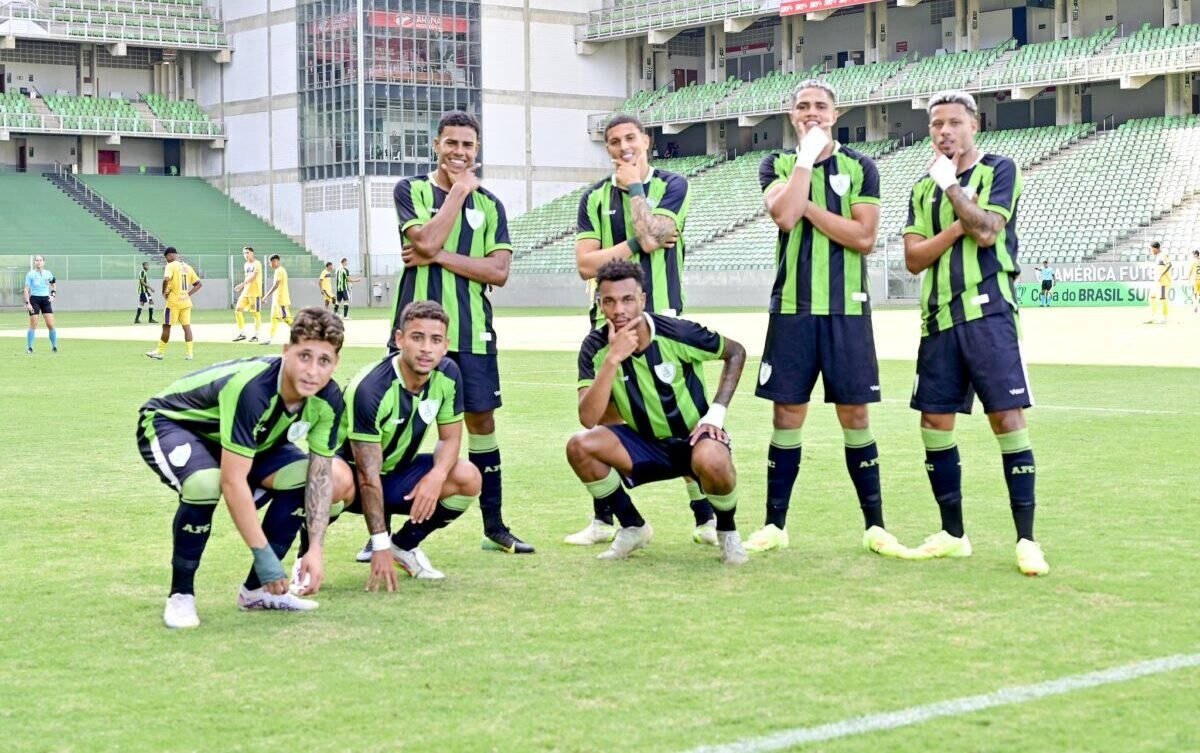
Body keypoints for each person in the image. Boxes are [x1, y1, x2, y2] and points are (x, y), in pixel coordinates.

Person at [744, 80, 909, 559]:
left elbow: (863, 238)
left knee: (855, 415)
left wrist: (808, 203)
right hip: (793, 311)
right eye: (802, 107)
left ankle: (875, 527)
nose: (811, 113)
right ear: (792, 116)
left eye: (820, 106)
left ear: (835, 114)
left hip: (846, 312)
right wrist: (804, 161)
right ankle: (775, 525)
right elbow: (784, 218)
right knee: (785, 415)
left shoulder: (861, 166)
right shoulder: (775, 163)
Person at [902, 89, 1048, 576]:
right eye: (937, 124)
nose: (945, 131)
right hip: (939, 321)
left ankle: (1027, 539)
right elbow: (914, 259)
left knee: (1006, 420)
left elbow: (987, 230)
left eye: (954, 123)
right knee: (934, 425)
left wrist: (953, 191)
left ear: (974, 126)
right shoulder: (921, 188)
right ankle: (952, 534)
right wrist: (954, 218)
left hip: (989, 317)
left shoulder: (1000, 170)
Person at [138, 307, 356, 628]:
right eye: (304, 356)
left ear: (335, 364)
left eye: (324, 361)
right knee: (205, 484)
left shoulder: (329, 398)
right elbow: (232, 481)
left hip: (245, 442)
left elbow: (321, 476)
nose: (313, 370)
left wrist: (315, 548)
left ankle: (257, 592)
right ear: (286, 352)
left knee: (309, 479)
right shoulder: (254, 389)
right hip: (174, 424)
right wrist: (264, 555)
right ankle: (180, 595)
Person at [389, 110, 533, 554]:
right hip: (415, 333)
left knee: (481, 423)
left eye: (467, 145)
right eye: (451, 143)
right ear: (436, 145)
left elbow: (498, 271)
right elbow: (426, 240)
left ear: (477, 150)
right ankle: (379, 534)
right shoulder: (410, 190)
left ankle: (495, 527)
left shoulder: (491, 205)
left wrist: (433, 256)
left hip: (472, 335)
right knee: (396, 427)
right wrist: (456, 196)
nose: (459, 152)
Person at [569, 113, 716, 548]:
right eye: (613, 142)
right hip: (608, 324)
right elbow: (585, 265)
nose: (622, 147)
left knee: (684, 415)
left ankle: (705, 517)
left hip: (665, 321)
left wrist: (634, 186)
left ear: (646, 141)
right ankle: (608, 519)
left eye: (630, 138)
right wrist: (638, 245)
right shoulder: (594, 198)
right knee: (608, 418)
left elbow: (658, 229)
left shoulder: (674, 185)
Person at [566, 260, 749, 566]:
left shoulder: (677, 332)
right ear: (600, 304)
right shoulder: (595, 347)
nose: (619, 310)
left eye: (627, 299)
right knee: (580, 446)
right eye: (608, 301)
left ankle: (727, 532)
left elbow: (736, 352)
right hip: (644, 444)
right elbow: (588, 418)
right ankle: (633, 526)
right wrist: (612, 359)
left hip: (694, 442)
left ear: (643, 300)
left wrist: (715, 415)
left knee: (713, 459)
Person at [304, 301, 480, 585]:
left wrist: (436, 476)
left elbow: (450, 438)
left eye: (435, 340)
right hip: (352, 481)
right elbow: (367, 475)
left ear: (445, 345)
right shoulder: (371, 389)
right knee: (332, 480)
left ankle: (405, 545)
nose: (426, 348)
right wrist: (378, 543)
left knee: (466, 476)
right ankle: (305, 559)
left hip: (395, 476)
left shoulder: (448, 375)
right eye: (417, 337)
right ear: (399, 339)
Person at [146, 247, 202, 361]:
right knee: (187, 327)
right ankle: (189, 354)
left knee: (166, 326)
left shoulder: (171, 265)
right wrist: (188, 294)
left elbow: (166, 279)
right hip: (185, 302)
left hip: (173, 303)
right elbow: (199, 284)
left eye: (166, 258)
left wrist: (163, 292)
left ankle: (159, 352)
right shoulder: (187, 267)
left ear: (170, 256)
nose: (166, 260)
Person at [23, 255, 58, 354]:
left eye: (40, 260)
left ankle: (54, 346)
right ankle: (30, 347)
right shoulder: (30, 274)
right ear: (35, 262)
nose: (38, 262)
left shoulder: (48, 273)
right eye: (37, 260)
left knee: (50, 324)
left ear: (44, 262)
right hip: (34, 299)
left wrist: (53, 295)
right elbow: (26, 289)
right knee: (33, 324)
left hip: (45, 300)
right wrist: (28, 303)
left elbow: (53, 284)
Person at [261, 254, 293, 346]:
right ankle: (270, 339)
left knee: (286, 319)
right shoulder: (278, 271)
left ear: (275, 261)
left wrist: (266, 296)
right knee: (274, 318)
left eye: (270, 263)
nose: (270, 265)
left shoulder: (280, 270)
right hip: (277, 300)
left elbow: (276, 285)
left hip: (281, 299)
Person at [233, 246, 264, 342]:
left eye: (247, 252)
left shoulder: (257, 263)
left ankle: (256, 335)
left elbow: (254, 277)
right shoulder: (246, 264)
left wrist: (241, 285)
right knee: (238, 310)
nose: (245, 255)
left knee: (255, 314)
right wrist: (243, 286)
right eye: (244, 253)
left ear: (252, 253)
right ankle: (242, 334)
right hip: (246, 292)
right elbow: (247, 278)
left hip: (254, 293)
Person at [1145, 242, 1172, 324]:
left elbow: (1169, 264)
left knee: (1162, 298)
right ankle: (1153, 318)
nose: (1150, 251)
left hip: (1163, 282)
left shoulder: (1163, 255)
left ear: (1155, 248)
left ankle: (1165, 318)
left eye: (1151, 249)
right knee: (1151, 297)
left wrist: (1161, 274)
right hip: (1157, 282)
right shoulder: (1157, 257)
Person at [1188, 249, 1200, 314]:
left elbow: (1190, 271)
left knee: (1195, 294)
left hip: (1195, 280)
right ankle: (1197, 306)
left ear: (1195, 255)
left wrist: (1188, 278)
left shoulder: (1193, 261)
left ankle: (1196, 306)